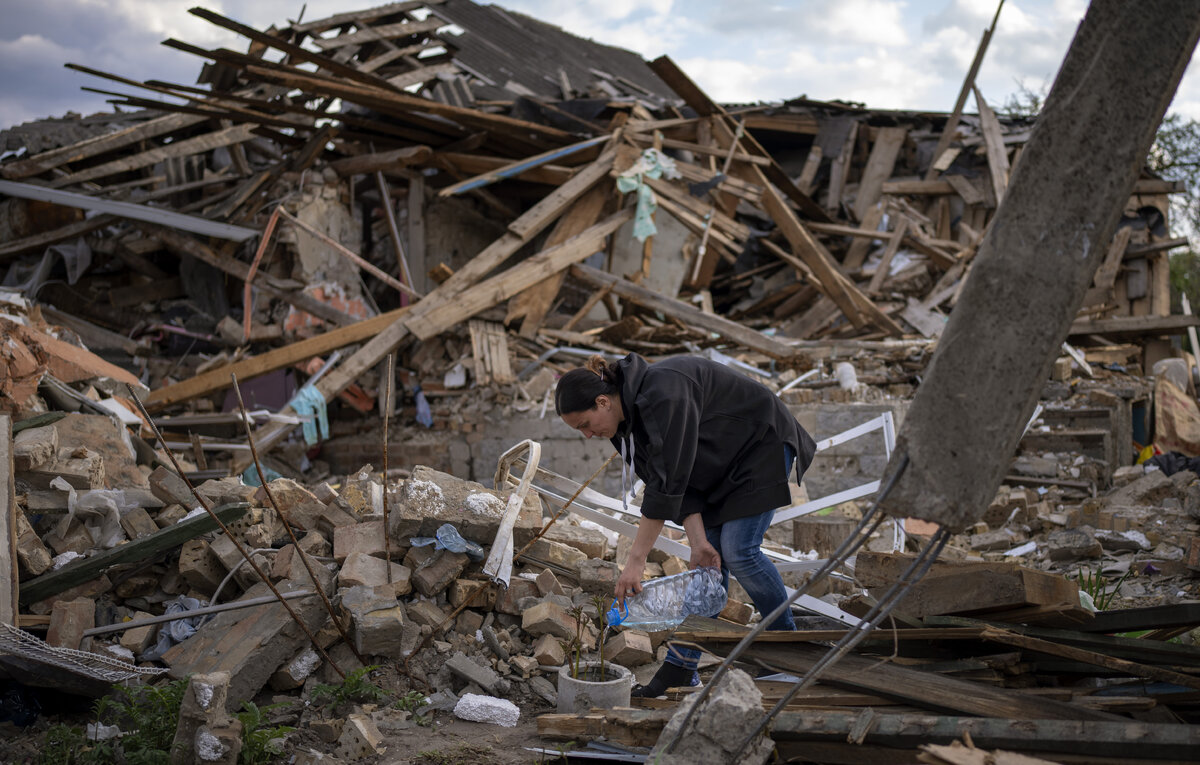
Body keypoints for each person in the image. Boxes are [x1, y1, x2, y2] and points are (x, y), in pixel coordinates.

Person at [555, 352, 816, 697]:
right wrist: (697, 542)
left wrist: (634, 562)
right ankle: (681, 668)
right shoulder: (623, 427)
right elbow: (671, 479)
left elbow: (667, 486)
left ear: (603, 401)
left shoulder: (665, 392)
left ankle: (789, 654)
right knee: (708, 564)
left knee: (739, 549)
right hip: (717, 463)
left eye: (584, 425)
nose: (588, 435)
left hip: (758, 444)